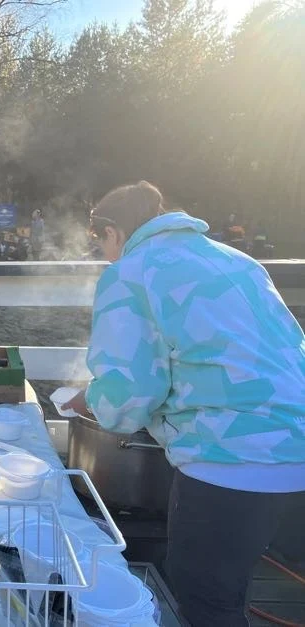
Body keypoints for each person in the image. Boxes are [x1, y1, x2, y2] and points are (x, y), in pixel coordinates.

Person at [61, 181, 305, 627]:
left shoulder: (131, 271)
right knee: (233, 587)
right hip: (296, 441)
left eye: (100, 241)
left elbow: (128, 397)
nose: (104, 253)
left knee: (207, 597)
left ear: (113, 231)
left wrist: (91, 398)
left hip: (231, 458)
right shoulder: (237, 260)